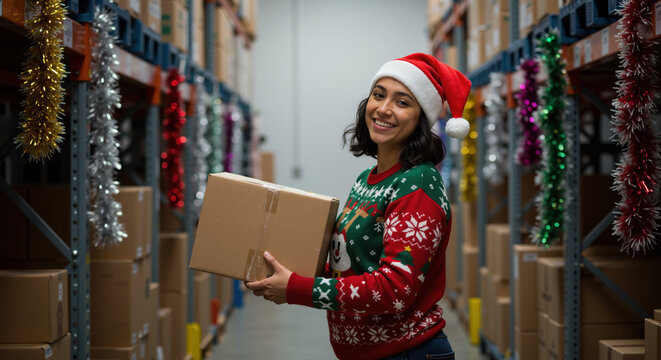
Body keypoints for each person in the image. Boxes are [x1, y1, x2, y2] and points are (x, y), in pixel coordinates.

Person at [245, 53, 471, 360]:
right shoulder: (367, 180)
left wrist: (299, 289)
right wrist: (278, 267)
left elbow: (395, 290)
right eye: (379, 95)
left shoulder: (417, 184)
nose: (384, 109)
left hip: (407, 352)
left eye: (402, 102)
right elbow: (349, 266)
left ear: (421, 119)